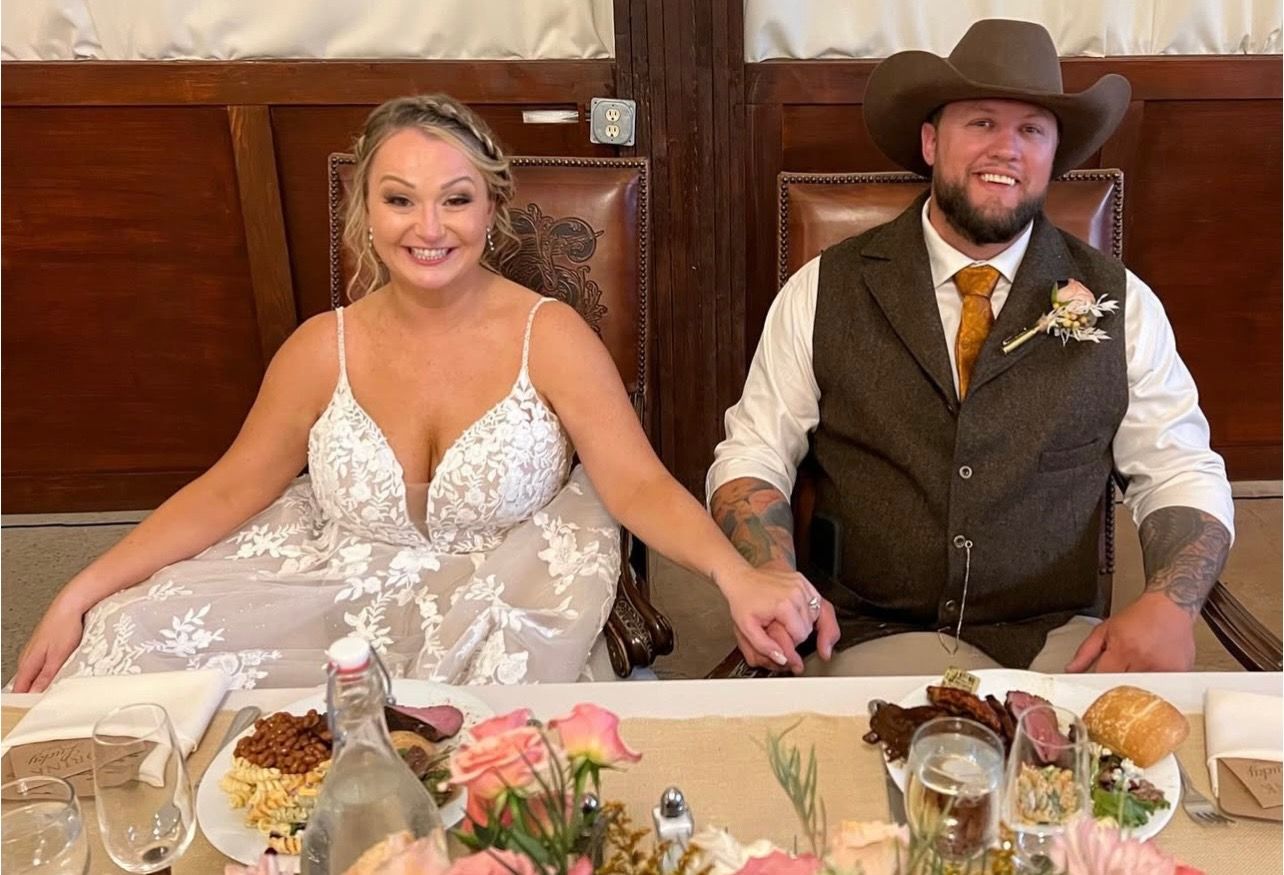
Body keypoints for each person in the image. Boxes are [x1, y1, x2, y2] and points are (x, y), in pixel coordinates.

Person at [15, 94, 837, 692]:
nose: (428, 228)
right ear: (364, 211)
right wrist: (82, 589)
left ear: (492, 209)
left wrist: (737, 576)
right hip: (331, 594)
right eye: (400, 199)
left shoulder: (547, 336)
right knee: (128, 642)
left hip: (501, 599)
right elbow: (230, 489)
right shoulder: (318, 348)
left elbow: (637, 482)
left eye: (455, 199)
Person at [708, 20, 1233, 677]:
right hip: (867, 635)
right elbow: (754, 449)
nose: (1007, 149)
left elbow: (1180, 468)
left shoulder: (1124, 306)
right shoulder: (821, 291)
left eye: (1032, 130)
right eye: (982, 123)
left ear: (1053, 155)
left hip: (1054, 642)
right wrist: (767, 569)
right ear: (931, 141)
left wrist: (1171, 603)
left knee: (1114, 779)